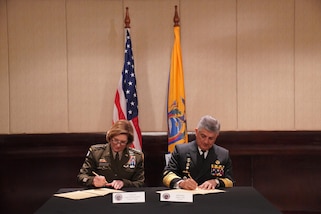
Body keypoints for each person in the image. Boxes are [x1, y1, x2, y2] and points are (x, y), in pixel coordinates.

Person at [163, 115, 234, 190]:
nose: (206, 142)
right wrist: (181, 183)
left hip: (212, 198)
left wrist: (216, 182)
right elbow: (167, 174)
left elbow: (230, 181)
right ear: (196, 132)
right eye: (203, 136)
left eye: (211, 138)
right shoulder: (181, 151)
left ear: (216, 136)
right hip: (187, 197)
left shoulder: (223, 154)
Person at [77, 120, 145, 190]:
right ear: (110, 137)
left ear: (128, 142)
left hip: (124, 197)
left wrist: (124, 183)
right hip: (101, 195)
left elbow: (140, 183)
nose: (118, 145)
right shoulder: (96, 152)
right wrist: (93, 181)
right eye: (115, 140)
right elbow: (81, 177)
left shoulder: (137, 156)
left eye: (123, 142)